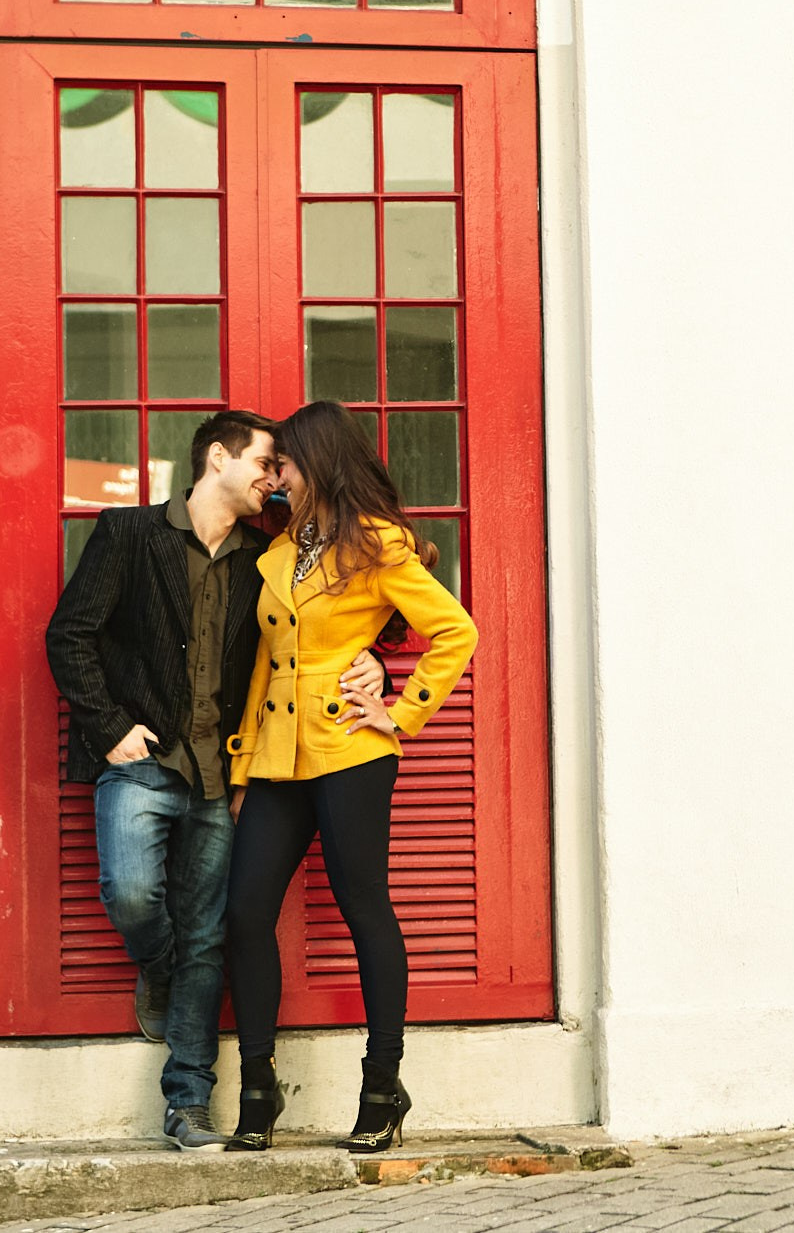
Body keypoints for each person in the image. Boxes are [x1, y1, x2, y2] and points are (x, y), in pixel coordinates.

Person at [45, 410, 384, 1152]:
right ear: (218, 459)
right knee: (132, 896)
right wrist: (110, 727)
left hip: (221, 776)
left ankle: (188, 1101)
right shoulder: (127, 533)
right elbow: (70, 635)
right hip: (140, 759)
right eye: (264, 463)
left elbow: (333, 619)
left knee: (209, 936)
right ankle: (158, 966)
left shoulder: (267, 556)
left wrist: (377, 661)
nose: (274, 480)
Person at [222, 401, 478, 1153]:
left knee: (365, 905)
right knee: (245, 912)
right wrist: (243, 767)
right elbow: (267, 663)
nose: (276, 476)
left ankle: (382, 1084)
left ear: (317, 462)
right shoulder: (280, 552)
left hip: (350, 751)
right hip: (277, 757)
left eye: (285, 463)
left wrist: (400, 714)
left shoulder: (377, 544)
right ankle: (259, 1087)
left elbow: (455, 630)